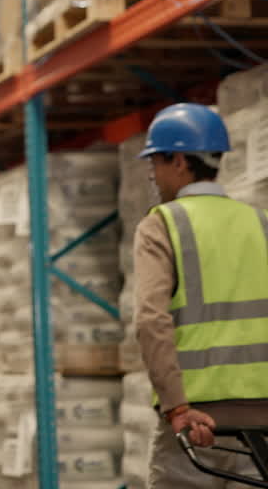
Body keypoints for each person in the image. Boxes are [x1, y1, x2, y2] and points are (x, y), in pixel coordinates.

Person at [133, 103, 268, 488]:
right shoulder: (260, 222)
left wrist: (177, 406)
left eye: (155, 163)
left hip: (196, 420)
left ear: (179, 161)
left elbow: (151, 320)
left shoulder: (162, 224)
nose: (153, 176)